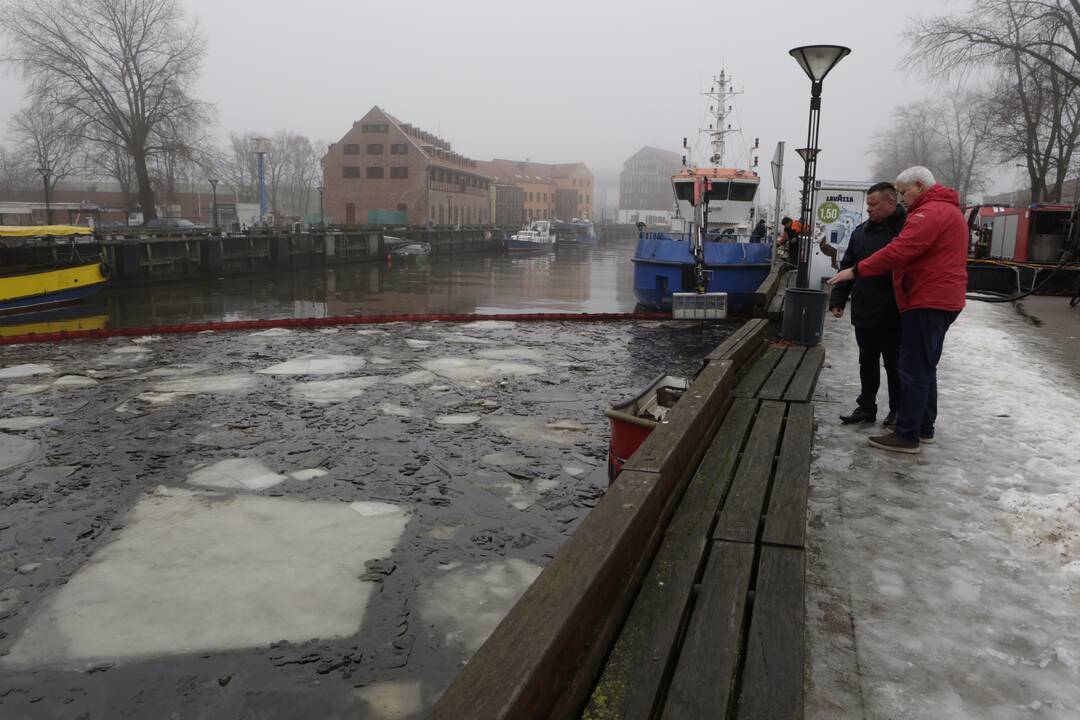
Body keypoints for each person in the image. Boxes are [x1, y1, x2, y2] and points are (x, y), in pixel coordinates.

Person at [827, 166, 968, 454]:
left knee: (911, 368)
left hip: (926, 298)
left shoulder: (929, 214)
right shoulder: (947, 211)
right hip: (935, 298)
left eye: (904, 192)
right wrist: (841, 296)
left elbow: (899, 251)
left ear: (919, 186)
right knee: (924, 367)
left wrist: (856, 271)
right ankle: (923, 427)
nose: (904, 199)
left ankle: (907, 433)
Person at [828, 182, 907, 428]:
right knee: (867, 361)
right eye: (868, 204)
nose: (869, 209)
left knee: (894, 365)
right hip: (865, 309)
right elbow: (847, 266)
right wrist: (838, 299)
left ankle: (897, 410)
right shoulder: (860, 232)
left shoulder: (906, 231)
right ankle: (866, 406)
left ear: (890, 203)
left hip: (895, 312)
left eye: (873, 204)